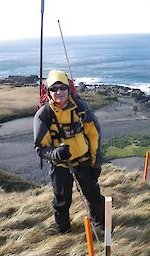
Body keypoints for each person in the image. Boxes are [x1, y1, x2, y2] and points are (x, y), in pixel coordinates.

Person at [34, 70, 104, 234]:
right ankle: (63, 231)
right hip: (60, 167)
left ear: (69, 89)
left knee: (94, 197)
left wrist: (96, 163)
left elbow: (94, 135)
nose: (59, 92)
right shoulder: (43, 115)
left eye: (63, 87)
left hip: (84, 162)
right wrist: (56, 154)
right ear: (48, 92)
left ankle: (101, 227)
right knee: (62, 202)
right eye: (54, 89)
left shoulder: (81, 108)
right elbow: (40, 148)